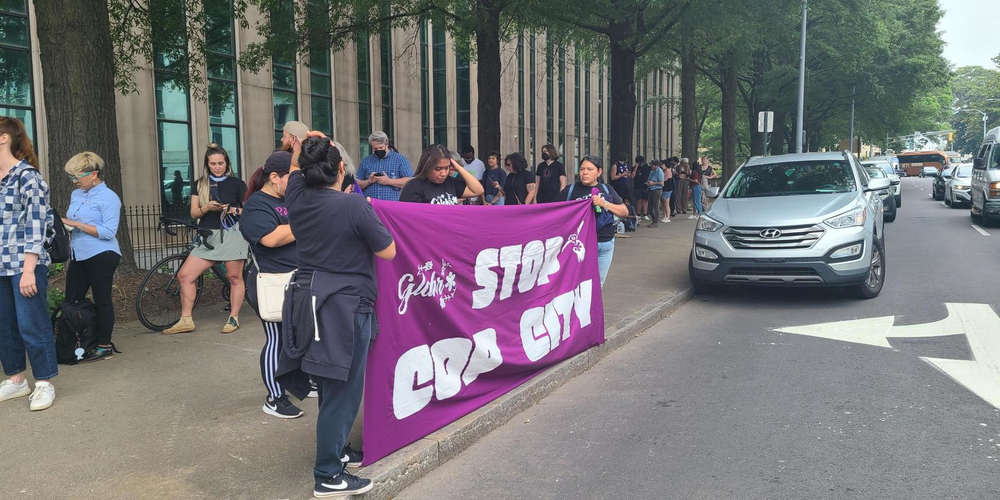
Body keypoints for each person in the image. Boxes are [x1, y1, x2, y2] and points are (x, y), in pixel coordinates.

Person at [281, 133, 396, 498]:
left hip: (308, 301)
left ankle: (337, 450)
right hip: (344, 307)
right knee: (341, 393)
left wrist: (306, 146)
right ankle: (328, 475)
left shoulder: (297, 199)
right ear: (342, 169)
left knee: (331, 387)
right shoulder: (353, 207)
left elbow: (296, 169)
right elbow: (389, 251)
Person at [239, 151, 305, 419]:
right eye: (294, 177)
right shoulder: (257, 205)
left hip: (298, 278)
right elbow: (271, 239)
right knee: (276, 339)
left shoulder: (291, 200)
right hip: (271, 282)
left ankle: (300, 383)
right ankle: (275, 397)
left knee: (301, 335)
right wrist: (309, 220)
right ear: (274, 177)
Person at [0, 116, 57, 411]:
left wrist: (29, 270)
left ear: (3, 138)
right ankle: (16, 380)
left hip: (25, 265)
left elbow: (37, 225)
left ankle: (44, 382)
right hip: (0, 265)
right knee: (5, 326)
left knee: (31, 324)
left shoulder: (27, 176)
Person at [162, 145, 248, 335]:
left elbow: (249, 211)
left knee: (234, 277)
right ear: (207, 165)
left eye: (220, 163)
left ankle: (233, 318)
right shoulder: (199, 183)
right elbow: (193, 213)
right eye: (213, 164)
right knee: (185, 276)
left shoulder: (237, 184)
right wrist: (207, 207)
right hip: (207, 235)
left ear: (227, 164)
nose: (217, 167)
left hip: (232, 233)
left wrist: (231, 209)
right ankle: (186, 320)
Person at [61, 152, 122, 362]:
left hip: (102, 253)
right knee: (72, 300)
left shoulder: (109, 197)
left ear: (94, 174)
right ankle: (78, 341)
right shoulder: (76, 195)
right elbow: (74, 221)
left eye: (77, 177)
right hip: (79, 253)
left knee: (102, 299)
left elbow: (108, 232)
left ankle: (104, 345)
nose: (74, 182)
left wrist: (78, 225)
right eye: (71, 177)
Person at [557, 156, 628, 287]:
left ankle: (592, 308)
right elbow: (553, 211)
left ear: (599, 172)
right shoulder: (570, 190)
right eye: (582, 169)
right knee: (578, 284)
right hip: (581, 245)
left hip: (605, 244)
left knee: (597, 285)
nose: (585, 172)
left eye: (590, 169)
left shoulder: (607, 189)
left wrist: (605, 203)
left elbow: (624, 211)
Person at [400, 145, 484, 205]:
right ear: (427, 166)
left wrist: (459, 167)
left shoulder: (450, 182)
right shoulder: (414, 186)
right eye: (438, 169)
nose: (443, 174)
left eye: (447, 168)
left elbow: (478, 190)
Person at [356, 131, 412, 201]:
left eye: (380, 147)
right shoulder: (366, 161)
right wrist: (368, 181)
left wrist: (389, 181)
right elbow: (356, 183)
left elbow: (409, 181)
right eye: (375, 149)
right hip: (370, 205)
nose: (378, 150)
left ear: (387, 144)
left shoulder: (400, 159)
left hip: (392, 205)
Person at [645, 160, 664, 227]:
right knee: (650, 207)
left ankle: (656, 221)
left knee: (655, 205)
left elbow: (662, 183)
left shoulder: (660, 171)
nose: (651, 166)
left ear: (656, 165)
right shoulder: (651, 172)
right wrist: (648, 182)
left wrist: (654, 183)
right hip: (651, 189)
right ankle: (653, 220)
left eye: (652, 165)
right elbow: (649, 179)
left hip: (657, 189)